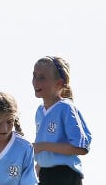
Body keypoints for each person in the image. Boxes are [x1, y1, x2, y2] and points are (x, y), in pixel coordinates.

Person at [32, 56, 92, 185]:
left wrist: (42, 147)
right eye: (34, 76)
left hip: (65, 175)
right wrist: (39, 164)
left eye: (42, 77)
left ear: (59, 83)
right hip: (45, 175)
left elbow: (81, 147)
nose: (35, 81)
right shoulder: (39, 112)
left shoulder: (65, 108)